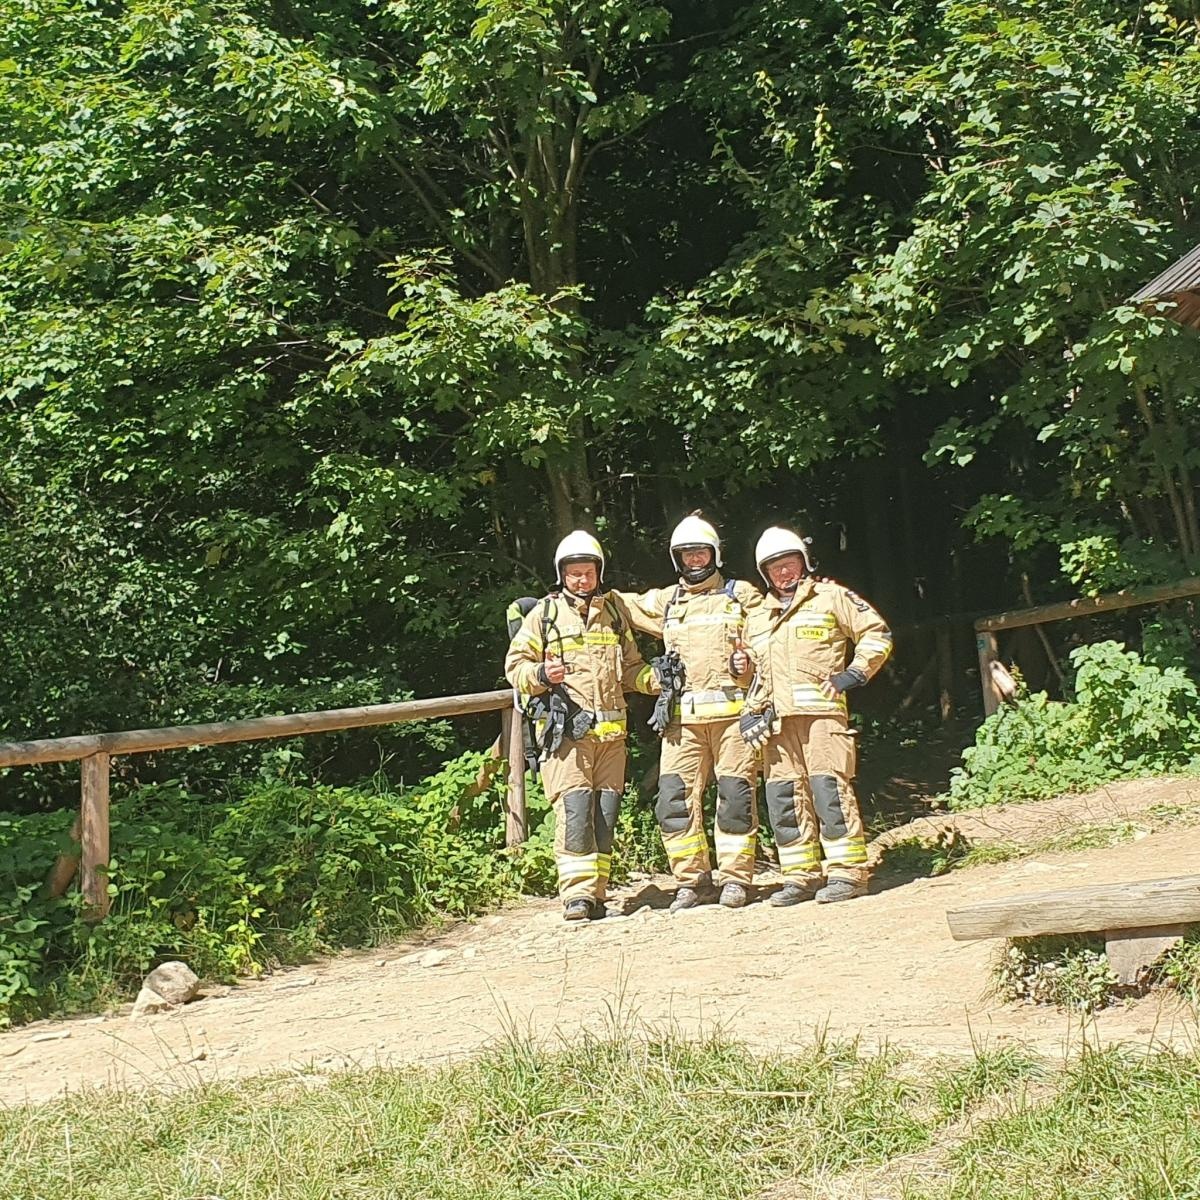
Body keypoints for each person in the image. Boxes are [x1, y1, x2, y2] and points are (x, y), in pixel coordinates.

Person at [505, 531, 658, 921]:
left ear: (598, 573)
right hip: (567, 736)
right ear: (562, 575)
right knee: (575, 813)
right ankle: (576, 895)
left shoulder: (613, 615)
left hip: (611, 740)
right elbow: (514, 669)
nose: (582, 581)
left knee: (605, 815)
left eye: (588, 573)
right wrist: (541, 672)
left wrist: (657, 682)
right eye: (574, 574)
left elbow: (632, 671)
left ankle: (598, 893)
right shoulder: (545, 615)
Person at [616, 515, 763, 911]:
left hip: (734, 720)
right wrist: (560, 599)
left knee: (735, 796)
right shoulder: (667, 601)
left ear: (715, 554)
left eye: (701, 552)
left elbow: (771, 636)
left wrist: (748, 663)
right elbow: (617, 604)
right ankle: (693, 881)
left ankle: (735, 879)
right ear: (676, 559)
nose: (695, 560)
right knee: (674, 800)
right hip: (682, 722)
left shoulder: (742, 596)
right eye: (687, 554)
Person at [740, 526, 892, 905]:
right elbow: (750, 672)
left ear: (803, 563)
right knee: (784, 798)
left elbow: (877, 633)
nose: (783, 573)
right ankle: (799, 876)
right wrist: (738, 668)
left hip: (822, 717)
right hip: (775, 724)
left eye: (789, 565)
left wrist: (854, 673)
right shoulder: (757, 615)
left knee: (829, 791)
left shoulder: (831, 597)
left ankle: (847, 873)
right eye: (774, 568)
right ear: (765, 573)